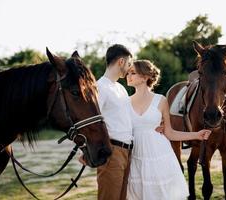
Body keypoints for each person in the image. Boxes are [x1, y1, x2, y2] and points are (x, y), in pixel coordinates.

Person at [126, 60, 211, 200]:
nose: (128, 76)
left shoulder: (161, 100)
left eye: (133, 73)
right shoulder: (125, 101)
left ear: (145, 76)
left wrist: (196, 134)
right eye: (128, 73)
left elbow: (170, 133)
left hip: (159, 155)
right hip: (136, 157)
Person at [80, 44, 134, 200]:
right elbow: (90, 122)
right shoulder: (99, 88)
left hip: (128, 151)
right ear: (121, 62)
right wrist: (86, 150)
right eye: (129, 63)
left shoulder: (121, 88)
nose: (130, 67)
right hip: (112, 151)